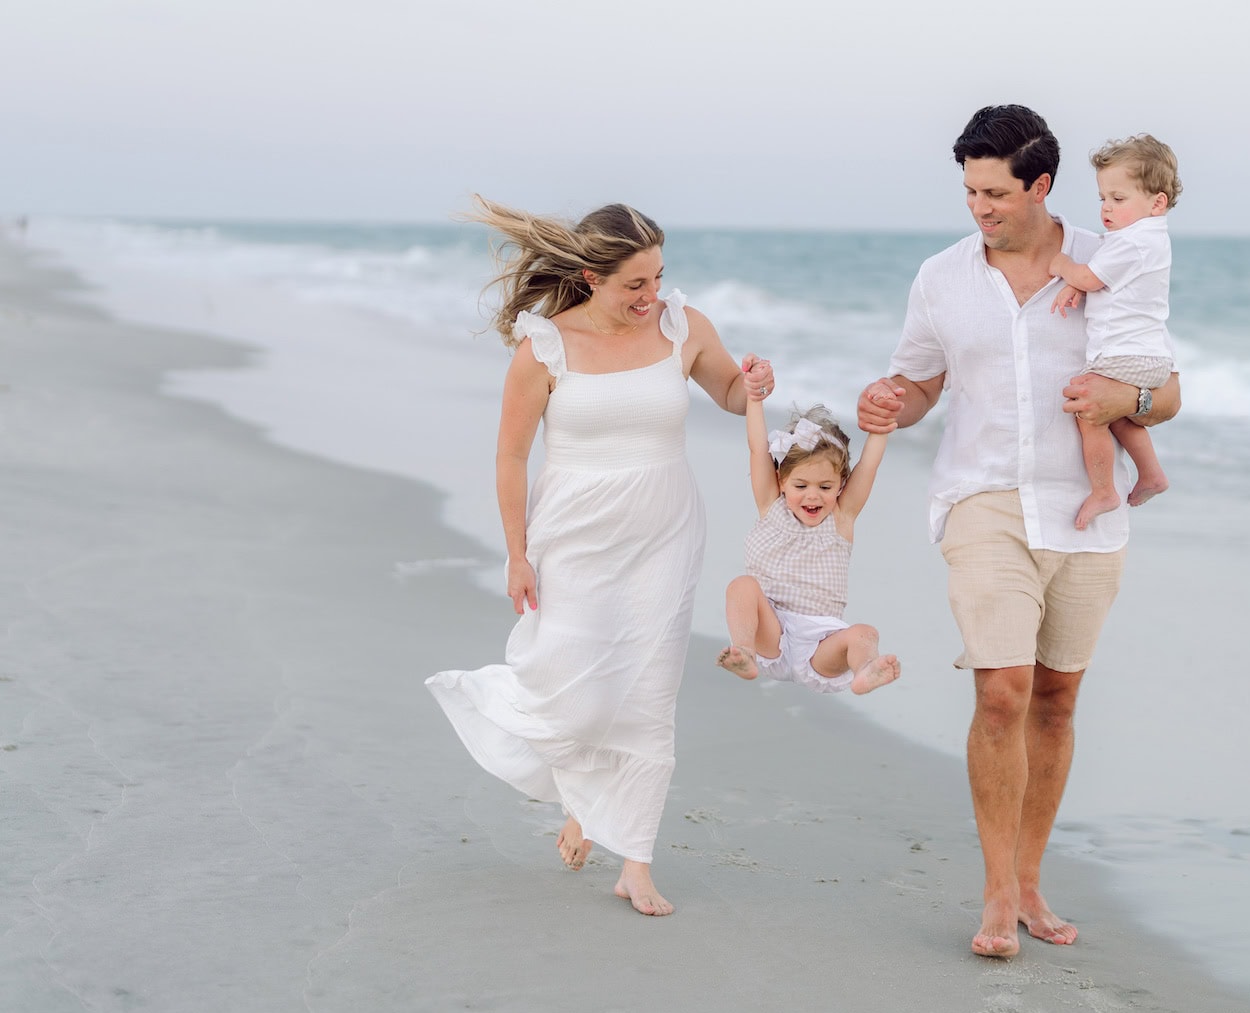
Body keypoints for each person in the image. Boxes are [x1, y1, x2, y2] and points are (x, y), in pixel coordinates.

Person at [858, 105, 1180, 958]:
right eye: (969, 191)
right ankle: (997, 892)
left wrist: (1125, 402)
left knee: (1057, 696)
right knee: (1001, 689)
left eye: (995, 192)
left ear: (1041, 184)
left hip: (1085, 506)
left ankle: (1032, 878)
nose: (980, 208)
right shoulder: (942, 277)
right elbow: (917, 382)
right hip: (983, 496)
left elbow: (1166, 391)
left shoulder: (1114, 257)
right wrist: (887, 400)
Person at [425, 199, 773, 918]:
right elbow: (511, 454)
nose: (651, 297)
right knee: (577, 695)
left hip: (666, 530)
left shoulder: (683, 325)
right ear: (591, 277)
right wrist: (517, 553)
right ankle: (579, 795)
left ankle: (636, 862)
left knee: (647, 692)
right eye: (634, 286)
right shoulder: (544, 347)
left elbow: (731, 395)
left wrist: (754, 386)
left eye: (658, 278)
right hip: (574, 532)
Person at [715, 393, 902, 696]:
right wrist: (754, 398)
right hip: (770, 630)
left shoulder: (842, 517)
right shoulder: (770, 505)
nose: (812, 496)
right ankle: (744, 652)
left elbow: (868, 466)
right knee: (741, 586)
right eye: (801, 486)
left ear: (841, 485)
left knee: (865, 634)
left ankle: (866, 669)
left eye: (825, 487)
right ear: (781, 480)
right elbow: (756, 448)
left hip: (821, 643)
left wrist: (880, 427)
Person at [1048, 134, 1182, 525]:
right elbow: (1106, 280)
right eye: (1103, 198)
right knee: (1117, 415)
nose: (1106, 208)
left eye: (1118, 199)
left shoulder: (1134, 243)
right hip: (1148, 356)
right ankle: (1152, 473)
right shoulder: (1145, 239)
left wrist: (1062, 267)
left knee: (1089, 411)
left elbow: (1092, 276)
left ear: (1157, 202)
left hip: (1125, 354)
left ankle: (1104, 491)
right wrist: (1081, 280)